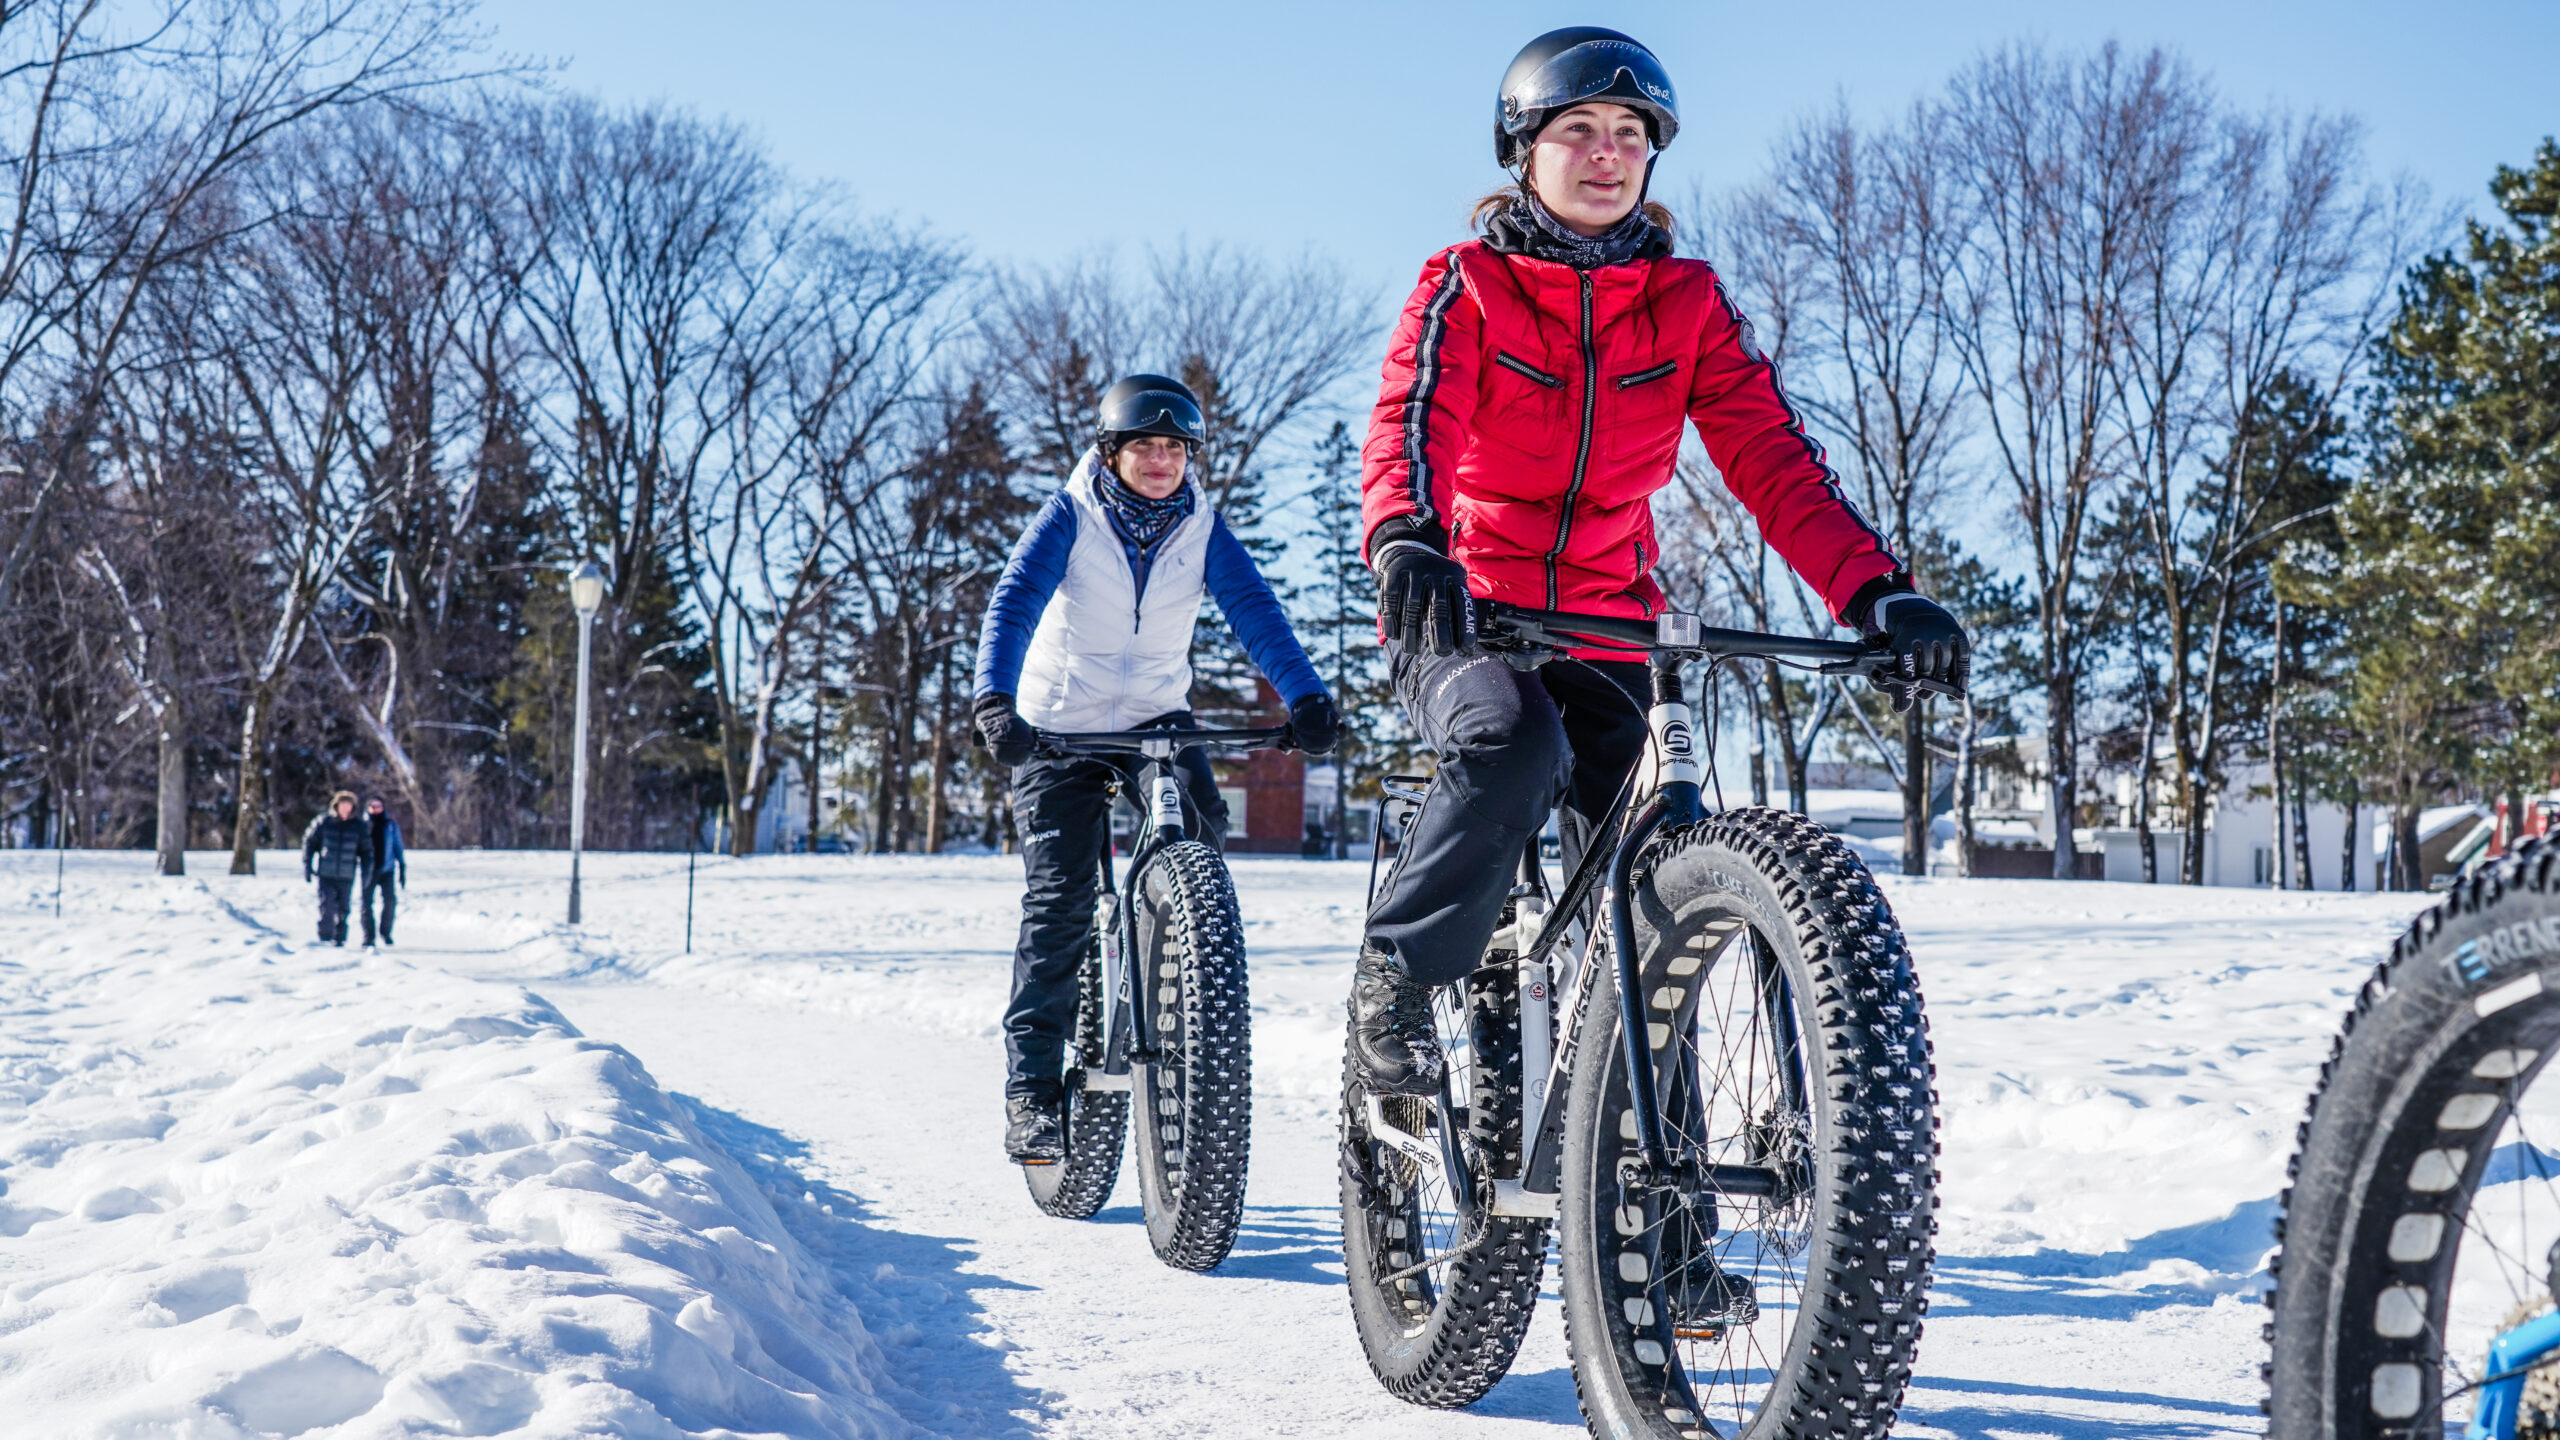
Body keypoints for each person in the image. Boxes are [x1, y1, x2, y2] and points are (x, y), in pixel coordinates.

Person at [1350, 27, 1971, 1101]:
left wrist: (1877, 591)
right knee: (1508, 745)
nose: (1607, 153)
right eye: (1579, 130)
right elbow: (1412, 420)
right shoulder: (1468, 285)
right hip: (1472, 612)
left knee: (1643, 904)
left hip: (1608, 619)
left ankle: (1659, 1232)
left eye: (1630, 134)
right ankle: (1398, 979)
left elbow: (1776, 462)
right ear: (1522, 151)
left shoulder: (1683, 304)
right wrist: (1408, 538)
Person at [975, 373, 1341, 1165]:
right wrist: (995, 701)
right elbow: (1014, 603)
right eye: (1146, 444)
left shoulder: (1201, 527)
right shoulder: (1070, 516)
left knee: (1199, 843)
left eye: (1176, 447)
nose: (1162, 460)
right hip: (1057, 729)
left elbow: (1255, 611)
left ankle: (1172, 959)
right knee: (1059, 903)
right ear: (1112, 451)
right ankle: (1032, 1094)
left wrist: (1306, 693)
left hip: (1154, 720)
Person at [301, 791, 372, 946]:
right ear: (336, 806)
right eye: (342, 805)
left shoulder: (359, 826)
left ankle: (339, 938)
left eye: (349, 805)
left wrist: (367, 871)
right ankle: (325, 938)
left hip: (347, 874)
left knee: (343, 909)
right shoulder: (324, 822)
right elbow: (309, 842)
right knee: (327, 906)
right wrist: (307, 864)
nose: (345, 808)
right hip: (326, 873)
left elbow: (367, 852)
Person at [360, 796, 406, 948]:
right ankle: (369, 936)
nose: (375, 809)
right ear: (368, 808)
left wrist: (402, 866)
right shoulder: (362, 826)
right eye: (372, 806)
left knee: (390, 901)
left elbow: (398, 846)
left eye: (378, 806)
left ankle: (385, 933)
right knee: (366, 903)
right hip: (368, 870)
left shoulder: (391, 825)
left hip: (387, 870)